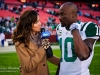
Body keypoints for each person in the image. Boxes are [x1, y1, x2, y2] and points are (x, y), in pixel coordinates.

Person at [56, 2, 100, 75]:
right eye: (59, 14)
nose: (59, 18)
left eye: (63, 14)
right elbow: (63, 58)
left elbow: (83, 55)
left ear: (73, 15)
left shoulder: (87, 27)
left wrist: (74, 29)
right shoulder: (60, 28)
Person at [12, 10, 59, 75]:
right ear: (28, 24)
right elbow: (28, 66)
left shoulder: (41, 37)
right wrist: (42, 48)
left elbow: (48, 56)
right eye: (36, 22)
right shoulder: (20, 42)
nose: (40, 23)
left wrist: (63, 64)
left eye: (39, 21)